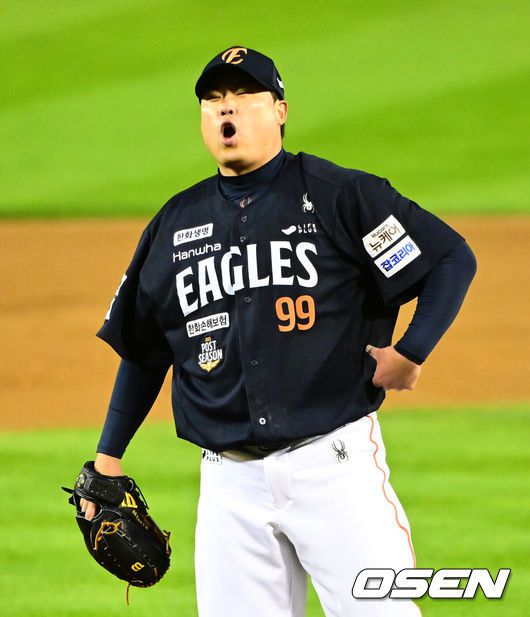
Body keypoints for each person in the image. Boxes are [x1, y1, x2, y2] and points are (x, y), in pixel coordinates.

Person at [80, 46, 477, 616]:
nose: (227, 109)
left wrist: (412, 351)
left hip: (334, 470)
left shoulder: (340, 196)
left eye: (244, 96)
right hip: (229, 487)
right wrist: (108, 458)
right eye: (213, 99)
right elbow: (145, 350)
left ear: (280, 111)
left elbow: (448, 259)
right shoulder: (174, 225)